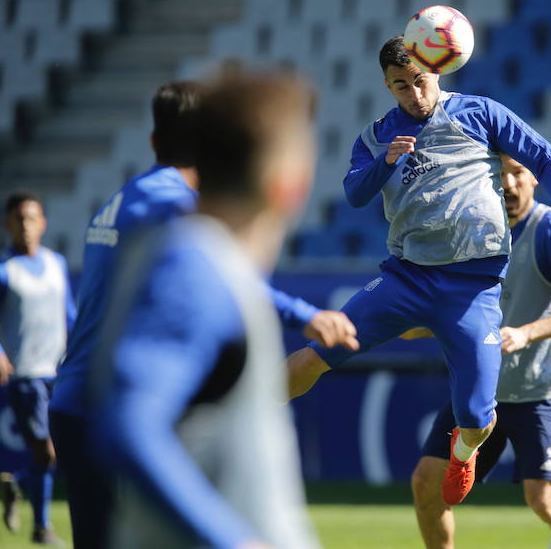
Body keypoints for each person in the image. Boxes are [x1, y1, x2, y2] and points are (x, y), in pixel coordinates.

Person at [286, 35, 551, 506]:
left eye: (419, 81)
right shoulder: (377, 136)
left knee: (480, 421)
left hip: (474, 289)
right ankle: (236, 415)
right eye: (401, 86)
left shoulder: (479, 113)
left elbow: (543, 155)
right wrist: (386, 162)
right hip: (405, 278)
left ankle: (464, 455)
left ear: (437, 70)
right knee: (316, 353)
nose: (414, 95)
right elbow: (355, 193)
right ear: (387, 85)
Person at [48, 81, 355, 548]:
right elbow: (131, 425)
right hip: (95, 403)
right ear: (290, 185)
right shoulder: (184, 235)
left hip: (78, 397)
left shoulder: (133, 203)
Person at [410, 155, 551, 549]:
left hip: (537, 394)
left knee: (545, 500)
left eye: (517, 173)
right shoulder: (473, 232)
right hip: (481, 391)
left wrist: (524, 334)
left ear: (533, 178)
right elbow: (454, 310)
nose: (509, 184)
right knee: (427, 485)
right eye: (499, 175)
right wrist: (406, 323)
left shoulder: (550, 228)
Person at [0, 191, 76, 546]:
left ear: (43, 223)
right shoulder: (1, 271)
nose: (25, 225)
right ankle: (42, 528)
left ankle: (18, 484)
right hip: (24, 374)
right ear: (7, 224)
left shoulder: (57, 264)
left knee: (59, 450)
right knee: (46, 450)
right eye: (18, 219)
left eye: (31, 218)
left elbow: (69, 314)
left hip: (60, 371)